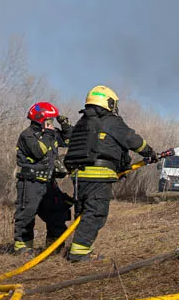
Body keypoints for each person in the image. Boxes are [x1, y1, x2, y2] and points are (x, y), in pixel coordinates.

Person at [61, 85, 156, 263]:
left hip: (79, 177)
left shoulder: (82, 123)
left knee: (83, 213)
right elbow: (132, 139)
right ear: (109, 103)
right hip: (99, 176)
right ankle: (79, 253)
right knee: (95, 213)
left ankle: (79, 248)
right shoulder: (111, 121)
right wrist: (150, 153)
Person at [12, 101, 73, 255]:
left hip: (48, 183)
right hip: (31, 182)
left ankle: (54, 248)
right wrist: (48, 133)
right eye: (49, 120)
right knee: (27, 214)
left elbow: (68, 140)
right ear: (41, 119)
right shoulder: (28, 135)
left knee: (58, 212)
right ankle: (23, 248)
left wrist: (65, 125)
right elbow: (38, 151)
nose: (51, 123)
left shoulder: (51, 134)